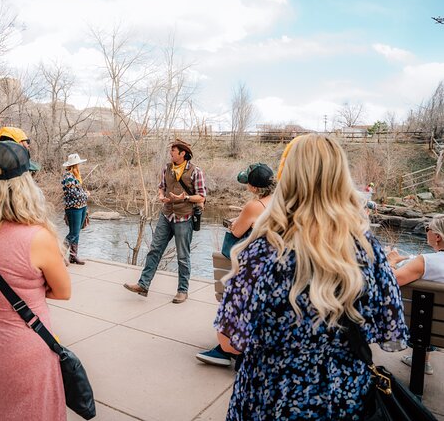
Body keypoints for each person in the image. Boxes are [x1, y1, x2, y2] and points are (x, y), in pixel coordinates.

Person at [214, 134, 408, 419]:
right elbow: (388, 325)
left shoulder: (263, 252)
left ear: (288, 179)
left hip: (272, 397)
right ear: (341, 178)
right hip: (345, 399)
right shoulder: (367, 249)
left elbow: (228, 342)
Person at [0, 141, 70, 420]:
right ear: (24, 182)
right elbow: (63, 291)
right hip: (27, 350)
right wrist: (33, 289)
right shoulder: (37, 237)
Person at [196, 162, 275, 367]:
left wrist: (235, 224)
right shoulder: (283, 202)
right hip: (276, 268)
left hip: (253, 271)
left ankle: (226, 349)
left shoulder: (254, 206)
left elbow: (237, 233)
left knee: (234, 295)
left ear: (254, 187)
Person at [124, 139, 206, 304]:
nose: (171, 154)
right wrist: (161, 196)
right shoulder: (167, 168)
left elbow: (202, 196)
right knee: (154, 250)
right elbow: (161, 186)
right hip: (166, 215)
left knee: (183, 256)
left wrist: (186, 197)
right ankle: (143, 285)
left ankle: (182, 291)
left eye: (173, 151)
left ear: (183, 153)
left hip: (184, 217)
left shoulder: (196, 171)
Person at [388, 214, 444, 375]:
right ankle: (424, 360)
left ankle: (421, 358)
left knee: (423, 314)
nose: (427, 231)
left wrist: (391, 262)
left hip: (421, 328)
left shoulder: (425, 261)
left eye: (428, 229)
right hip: (438, 329)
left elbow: (391, 281)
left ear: (438, 237)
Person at [62, 153, 90, 264]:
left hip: (82, 207)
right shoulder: (68, 176)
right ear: (75, 165)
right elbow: (73, 193)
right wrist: (86, 195)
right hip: (73, 208)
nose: (79, 166)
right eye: (78, 164)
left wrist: (84, 193)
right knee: (73, 233)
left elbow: (78, 191)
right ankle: (59, 256)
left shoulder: (75, 176)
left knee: (76, 232)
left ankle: (73, 256)